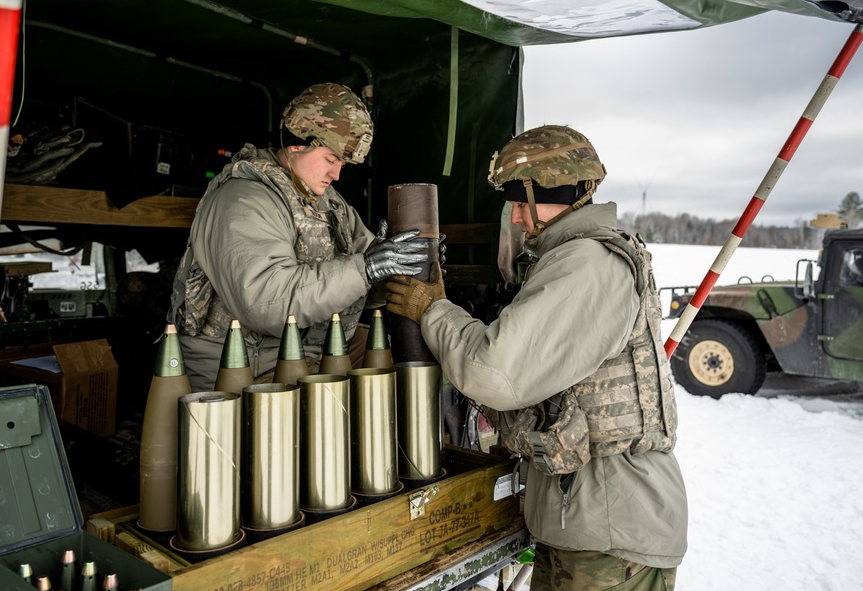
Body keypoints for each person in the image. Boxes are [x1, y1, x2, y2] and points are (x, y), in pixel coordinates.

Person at [386, 125, 687, 590]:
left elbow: (495, 372)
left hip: (609, 536)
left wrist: (433, 310)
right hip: (583, 525)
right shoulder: (570, 257)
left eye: (522, 201)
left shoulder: (588, 264)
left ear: (556, 193)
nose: (517, 217)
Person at [169, 82, 427, 391]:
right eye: (331, 159)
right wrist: (366, 268)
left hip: (306, 355)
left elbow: (359, 281)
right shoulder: (244, 200)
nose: (337, 174)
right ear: (296, 143)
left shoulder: (329, 202)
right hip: (245, 369)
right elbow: (266, 303)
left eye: (343, 163)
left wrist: (395, 266)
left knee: (398, 380)